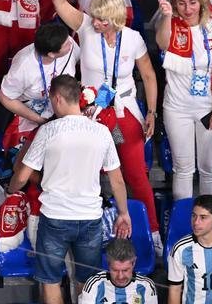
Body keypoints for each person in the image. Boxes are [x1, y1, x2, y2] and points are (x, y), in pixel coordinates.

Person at [53, 0, 162, 251]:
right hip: (91, 113)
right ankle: (90, 232)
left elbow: (149, 76)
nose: (95, 22)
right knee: (90, 173)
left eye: (101, 19)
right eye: (94, 17)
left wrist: (152, 112)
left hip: (123, 111)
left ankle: (152, 232)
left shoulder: (133, 38)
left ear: (114, 19)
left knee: (135, 173)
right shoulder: (85, 27)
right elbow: (59, 2)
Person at [8, 74, 130, 304]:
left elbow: (22, 175)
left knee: (51, 281)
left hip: (54, 217)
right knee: (88, 282)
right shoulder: (102, 131)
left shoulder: (48, 131)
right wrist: (123, 213)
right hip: (90, 218)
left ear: (57, 98)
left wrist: (10, 189)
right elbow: (118, 181)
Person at [157, 0, 212, 200]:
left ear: (201, 2)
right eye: (181, 3)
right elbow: (162, 43)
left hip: (208, 106)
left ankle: (208, 217)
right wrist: (166, 16)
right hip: (177, 108)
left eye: (192, 2)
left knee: (209, 168)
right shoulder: (171, 25)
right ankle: (183, 217)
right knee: (183, 168)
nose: (187, 9)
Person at [0, 22, 78, 153]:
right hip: (32, 113)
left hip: (63, 109)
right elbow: (5, 98)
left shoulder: (67, 42)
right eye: (66, 44)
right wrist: (38, 119)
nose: (71, 43)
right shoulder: (23, 66)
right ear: (52, 54)